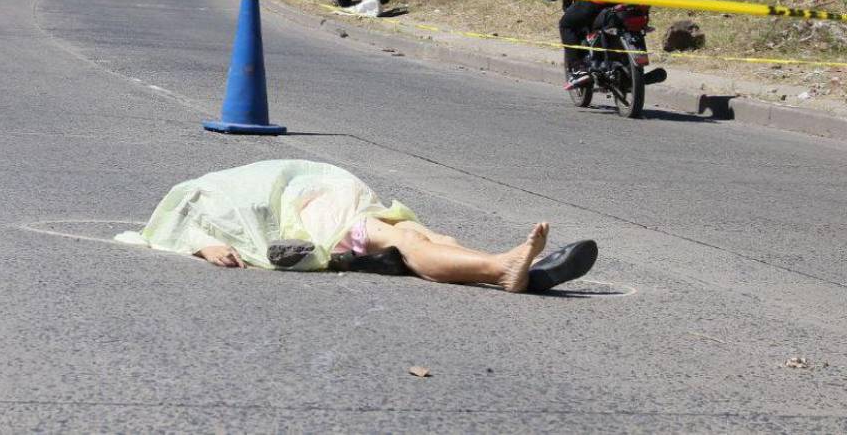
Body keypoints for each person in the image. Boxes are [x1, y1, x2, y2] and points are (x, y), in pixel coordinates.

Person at [116, 159, 598, 293]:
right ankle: (502, 267)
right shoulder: (197, 198)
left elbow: (173, 226)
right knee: (404, 237)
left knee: (426, 237)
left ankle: (505, 267)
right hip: (324, 209)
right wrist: (204, 245)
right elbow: (170, 230)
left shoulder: (209, 191)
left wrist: (202, 241)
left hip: (330, 197)